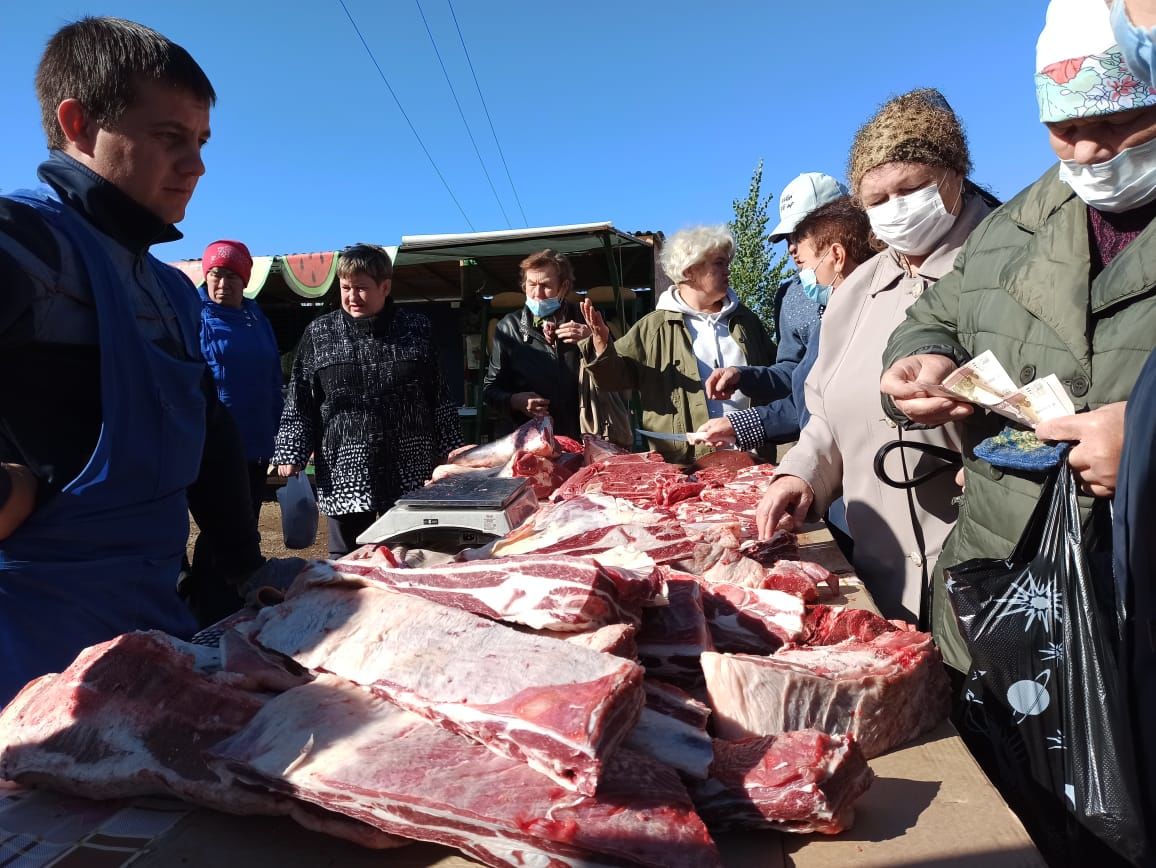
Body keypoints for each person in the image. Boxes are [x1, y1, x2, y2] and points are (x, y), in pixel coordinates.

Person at [880, 5, 1156, 859]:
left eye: (1113, 124)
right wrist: (917, 365)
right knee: (1026, 817)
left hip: (1130, 601)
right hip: (1005, 592)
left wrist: (1145, 445)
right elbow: (936, 316)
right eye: (1063, 129)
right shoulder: (1023, 221)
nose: (1086, 153)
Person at [0, 17, 268, 703]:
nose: (197, 166)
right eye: (171, 138)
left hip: (152, 640)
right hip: (30, 661)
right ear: (80, 124)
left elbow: (209, 430)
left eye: (201, 142)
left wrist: (239, 566)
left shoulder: (171, 290)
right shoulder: (22, 245)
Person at [756, 88, 997, 624]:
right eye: (877, 199)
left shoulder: (1011, 261)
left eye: (910, 189)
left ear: (954, 173)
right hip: (882, 584)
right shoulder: (858, 290)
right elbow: (824, 413)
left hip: (994, 580)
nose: (895, 209)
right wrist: (801, 475)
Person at [274, 243, 463, 558]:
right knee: (346, 559)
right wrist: (290, 449)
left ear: (385, 287)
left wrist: (452, 451)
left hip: (410, 465)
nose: (351, 296)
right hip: (345, 466)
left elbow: (438, 395)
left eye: (361, 288)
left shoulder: (415, 328)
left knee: (409, 555)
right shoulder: (320, 333)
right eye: (346, 287)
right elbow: (300, 399)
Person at [578, 225, 776, 463]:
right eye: (719, 263)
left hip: (751, 460)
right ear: (690, 270)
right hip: (684, 466)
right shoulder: (654, 327)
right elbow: (613, 379)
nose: (728, 271)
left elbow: (776, 376)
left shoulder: (746, 322)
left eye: (727, 263)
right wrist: (601, 344)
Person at [697, 197, 874, 448]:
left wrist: (745, 424)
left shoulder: (873, 303)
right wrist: (744, 377)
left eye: (799, 235)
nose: (792, 249)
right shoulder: (793, 296)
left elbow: (820, 401)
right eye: (788, 239)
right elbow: (798, 376)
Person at [199, 240, 283, 525]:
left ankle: (241, 571)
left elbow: (273, 377)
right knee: (221, 529)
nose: (223, 282)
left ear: (245, 280)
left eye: (232, 275)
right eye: (216, 273)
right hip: (211, 442)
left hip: (255, 441)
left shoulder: (257, 319)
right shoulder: (192, 316)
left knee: (246, 524)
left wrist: (278, 428)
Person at [482, 249, 591, 439]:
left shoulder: (586, 319)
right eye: (531, 284)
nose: (537, 293)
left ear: (564, 287)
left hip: (584, 435)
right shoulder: (509, 328)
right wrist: (515, 401)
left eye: (546, 286)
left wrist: (593, 339)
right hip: (530, 440)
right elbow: (490, 390)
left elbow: (618, 371)